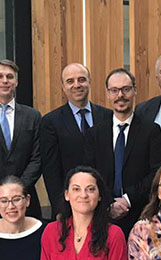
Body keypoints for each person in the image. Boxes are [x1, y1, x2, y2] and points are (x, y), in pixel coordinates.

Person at [93, 68, 161, 234]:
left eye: (126, 89)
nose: (120, 95)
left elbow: (157, 172)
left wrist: (127, 199)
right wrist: (110, 202)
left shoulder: (151, 131)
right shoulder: (95, 133)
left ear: (135, 91)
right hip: (103, 216)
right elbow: (92, 173)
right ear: (108, 93)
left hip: (142, 215)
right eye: (114, 90)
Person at [0, 59, 43, 222]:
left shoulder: (32, 116)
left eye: (10, 77)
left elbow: (37, 158)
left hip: (26, 202)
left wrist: (18, 191)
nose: (5, 81)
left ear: (16, 82)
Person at [40, 63, 112, 218]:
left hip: (105, 203)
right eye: (70, 81)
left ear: (89, 82)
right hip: (70, 205)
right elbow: (51, 170)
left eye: (81, 80)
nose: (77, 85)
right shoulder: (50, 122)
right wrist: (60, 208)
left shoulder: (108, 117)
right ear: (63, 87)